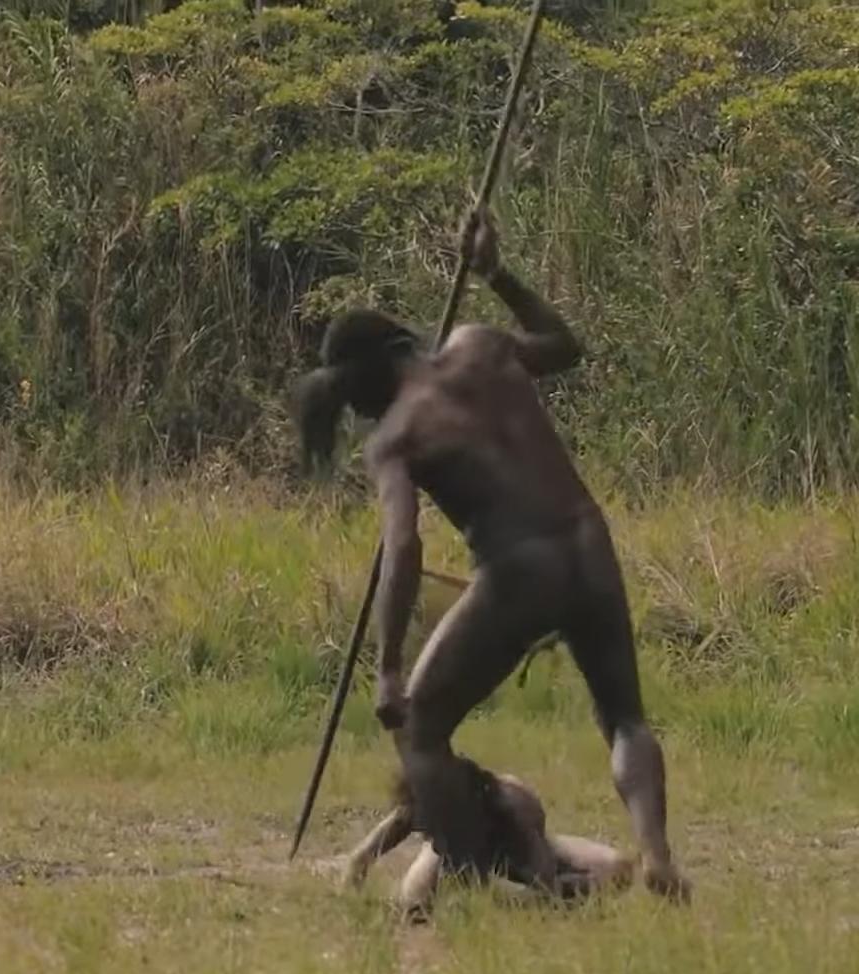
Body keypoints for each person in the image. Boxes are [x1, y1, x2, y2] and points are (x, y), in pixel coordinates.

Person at [293, 211, 688, 900]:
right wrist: (497, 274)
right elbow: (565, 345)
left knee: (420, 728)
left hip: (516, 570)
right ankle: (655, 852)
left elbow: (404, 547)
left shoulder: (393, 438)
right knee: (623, 716)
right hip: (587, 541)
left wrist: (387, 669)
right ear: (398, 341)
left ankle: (472, 878)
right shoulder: (481, 345)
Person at [343, 763, 634, 916]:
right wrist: (358, 867)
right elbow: (372, 847)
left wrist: (498, 898)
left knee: (618, 868)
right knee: (414, 902)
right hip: (453, 855)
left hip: (516, 856)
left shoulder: (514, 810)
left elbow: (544, 883)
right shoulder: (431, 803)